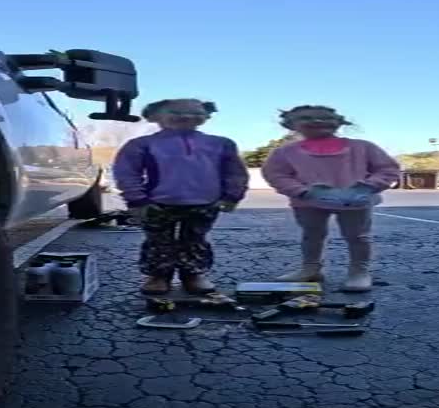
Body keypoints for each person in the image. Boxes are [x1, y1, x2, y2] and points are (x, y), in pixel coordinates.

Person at [113, 98, 249, 295]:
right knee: (157, 240)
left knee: (195, 240)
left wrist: (232, 196)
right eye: (175, 112)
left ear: (207, 116)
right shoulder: (142, 144)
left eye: (195, 112)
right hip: (157, 203)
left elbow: (235, 172)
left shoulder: (221, 144)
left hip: (206, 202)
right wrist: (136, 199)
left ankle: (193, 274)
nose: (186, 116)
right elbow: (126, 172)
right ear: (153, 116)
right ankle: (158, 275)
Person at [261, 105, 400, 291]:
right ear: (290, 125)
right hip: (307, 201)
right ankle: (310, 269)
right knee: (311, 235)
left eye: (325, 117)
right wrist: (301, 191)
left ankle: (359, 271)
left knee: (358, 236)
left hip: (356, 200)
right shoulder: (285, 152)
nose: (317, 121)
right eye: (307, 118)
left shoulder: (363, 147)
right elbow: (275, 174)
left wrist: (369, 186)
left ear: (339, 122)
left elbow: (388, 169)